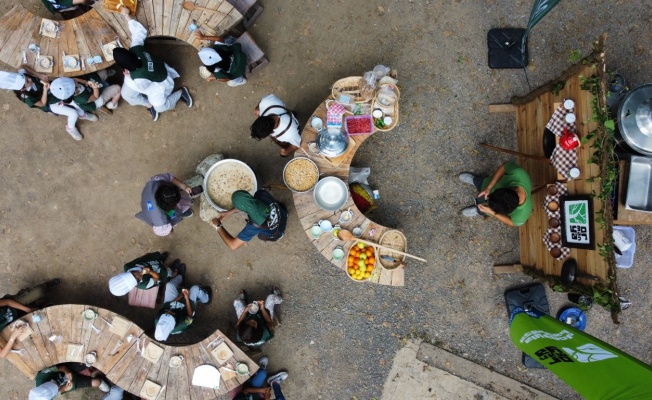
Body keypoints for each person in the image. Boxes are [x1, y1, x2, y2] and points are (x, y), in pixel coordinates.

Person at [113, 7, 191, 121]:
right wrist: (126, 16)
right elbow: (140, 31)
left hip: (160, 82)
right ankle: (149, 105)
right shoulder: (135, 47)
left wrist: (131, 77)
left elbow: (144, 87)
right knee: (126, 95)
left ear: (125, 68)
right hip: (152, 71)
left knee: (160, 107)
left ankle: (180, 92)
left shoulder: (139, 79)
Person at [0, 68, 89, 141]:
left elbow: (23, 66)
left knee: (75, 103)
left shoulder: (23, 77)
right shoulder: (27, 97)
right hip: (49, 102)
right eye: (27, 81)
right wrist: (45, 91)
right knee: (73, 113)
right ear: (23, 89)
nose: (30, 79)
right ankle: (71, 128)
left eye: (27, 77)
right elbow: (42, 104)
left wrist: (38, 75)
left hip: (55, 91)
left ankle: (82, 114)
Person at [459, 161, 532, 227]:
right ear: (508, 188)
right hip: (487, 183)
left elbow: (511, 223)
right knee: (481, 181)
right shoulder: (518, 173)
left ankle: (478, 210)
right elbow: (504, 166)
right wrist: (489, 187)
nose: (487, 198)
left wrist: (493, 212)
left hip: (492, 210)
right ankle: (475, 180)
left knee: (484, 210)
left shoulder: (522, 215)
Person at [210, 190, 287, 250]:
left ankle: (279, 235)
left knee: (261, 236)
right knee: (279, 209)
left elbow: (233, 246)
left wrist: (218, 226)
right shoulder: (261, 194)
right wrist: (229, 212)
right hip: (281, 213)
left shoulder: (253, 227)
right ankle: (285, 213)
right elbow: (250, 203)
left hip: (277, 232)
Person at [108, 251, 185, 296]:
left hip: (150, 262)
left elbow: (140, 259)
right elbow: (156, 278)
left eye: (133, 274)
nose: (139, 275)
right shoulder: (144, 285)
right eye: (138, 279)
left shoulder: (128, 266)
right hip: (157, 272)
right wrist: (150, 272)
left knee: (157, 260)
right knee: (167, 271)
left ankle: (161, 259)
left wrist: (147, 256)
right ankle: (172, 268)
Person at [28, 363, 109, 399]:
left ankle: (89, 369)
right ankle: (98, 377)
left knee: (87, 362)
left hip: (68, 368)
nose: (57, 386)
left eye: (54, 384)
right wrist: (66, 388)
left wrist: (67, 372)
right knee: (97, 382)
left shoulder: (42, 375)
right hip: (69, 383)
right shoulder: (48, 397)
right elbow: (60, 391)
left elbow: (62, 367)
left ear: (45, 383)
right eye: (56, 388)